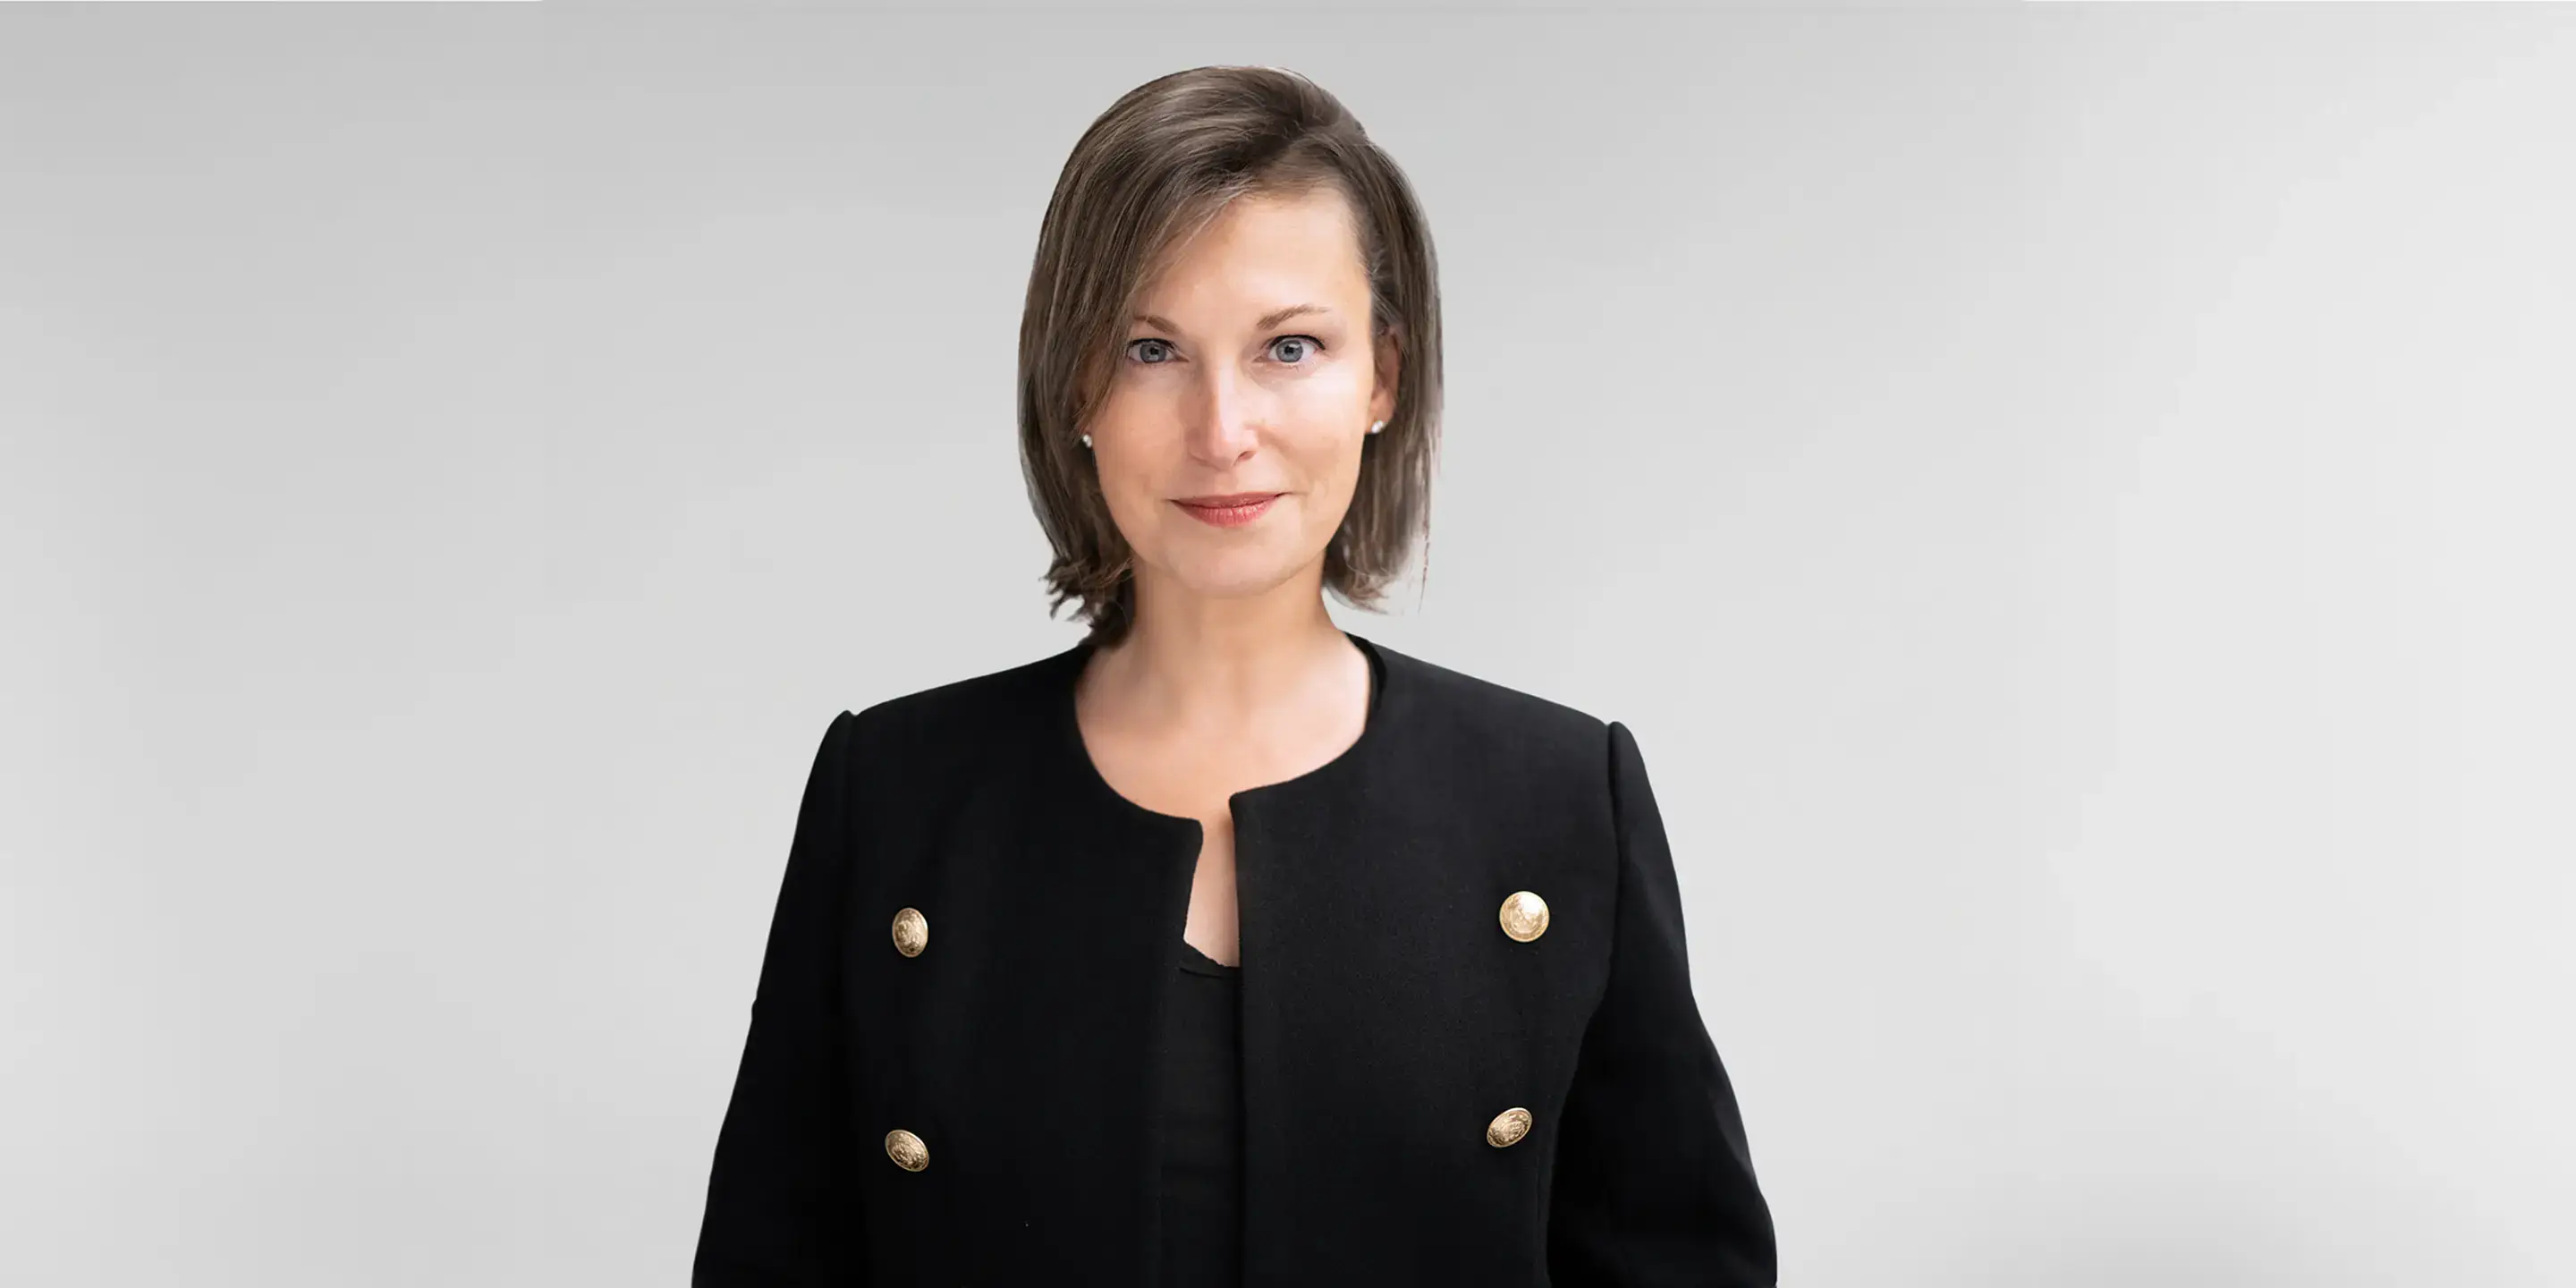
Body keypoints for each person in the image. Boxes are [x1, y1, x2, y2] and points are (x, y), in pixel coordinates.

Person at [690, 64, 1776, 1287]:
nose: (1221, 431)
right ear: (1076, 385)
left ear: (1383, 378)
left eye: (1290, 347)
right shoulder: (892, 791)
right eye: (1151, 349)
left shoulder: (1561, 797)